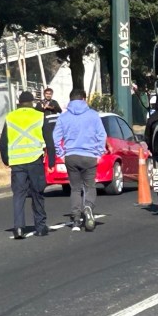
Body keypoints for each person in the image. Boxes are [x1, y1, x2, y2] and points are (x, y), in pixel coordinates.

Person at [53, 88, 107, 232]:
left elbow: (55, 138)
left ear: (70, 100)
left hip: (71, 155)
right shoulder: (93, 115)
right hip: (89, 155)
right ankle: (88, 206)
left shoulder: (63, 117)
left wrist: (62, 154)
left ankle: (76, 219)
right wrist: (99, 152)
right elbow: (102, 135)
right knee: (90, 186)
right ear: (84, 99)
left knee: (75, 188)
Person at [0, 91, 51, 239]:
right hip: (35, 160)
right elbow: (49, 140)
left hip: (17, 162)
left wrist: (6, 159)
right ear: (32, 102)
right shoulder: (39, 116)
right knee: (37, 192)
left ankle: (19, 228)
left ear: (19, 103)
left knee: (19, 195)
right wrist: (52, 160)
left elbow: (3, 142)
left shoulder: (10, 117)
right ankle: (40, 227)